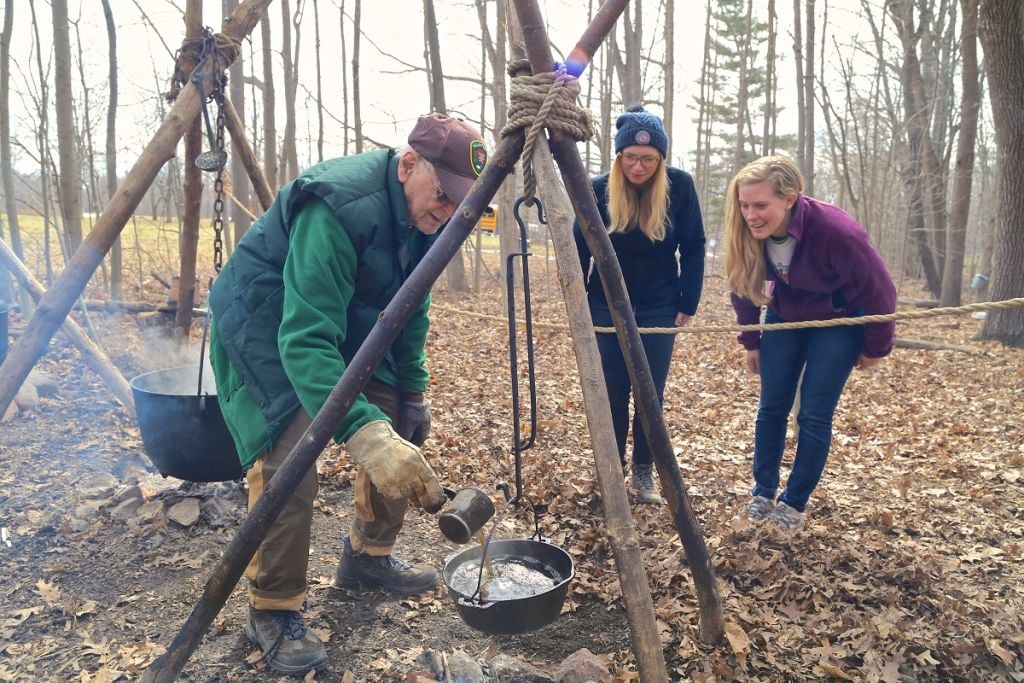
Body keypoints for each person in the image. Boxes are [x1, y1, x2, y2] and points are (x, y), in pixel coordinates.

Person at [208, 113, 488, 674]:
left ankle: (367, 557)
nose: (448, 211)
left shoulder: (428, 220)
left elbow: (412, 307)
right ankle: (272, 608)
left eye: (461, 203)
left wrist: (410, 396)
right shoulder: (338, 206)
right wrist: (363, 436)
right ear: (409, 165)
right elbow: (305, 338)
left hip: (345, 324)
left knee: (401, 432)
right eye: (443, 195)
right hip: (268, 326)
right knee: (291, 457)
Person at [724, 155, 896, 532]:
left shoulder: (836, 231)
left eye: (761, 205)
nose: (751, 214)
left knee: (814, 415)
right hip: (785, 316)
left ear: (790, 199)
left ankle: (793, 503)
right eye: (745, 205)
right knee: (771, 407)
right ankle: (763, 491)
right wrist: (751, 338)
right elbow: (742, 283)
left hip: (837, 321)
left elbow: (881, 292)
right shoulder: (745, 228)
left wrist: (874, 347)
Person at [573, 106, 706, 505]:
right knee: (612, 390)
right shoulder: (597, 188)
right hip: (604, 303)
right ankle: (609, 468)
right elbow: (578, 246)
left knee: (649, 392)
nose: (638, 166)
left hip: (659, 303)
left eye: (648, 159)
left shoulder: (680, 186)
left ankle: (644, 469)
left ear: (661, 159)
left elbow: (694, 245)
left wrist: (689, 299)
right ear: (618, 157)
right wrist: (577, 299)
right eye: (630, 157)